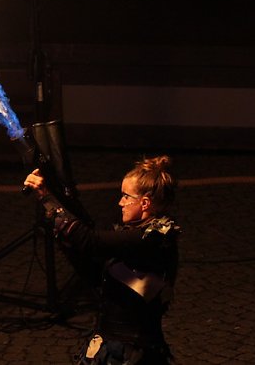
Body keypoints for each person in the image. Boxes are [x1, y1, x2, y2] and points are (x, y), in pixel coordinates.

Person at [23, 155, 180, 364]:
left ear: (144, 203)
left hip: (134, 354)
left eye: (126, 196)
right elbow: (93, 272)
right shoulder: (134, 235)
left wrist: (47, 198)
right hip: (110, 346)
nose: (120, 202)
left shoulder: (154, 238)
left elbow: (90, 240)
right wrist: (65, 236)